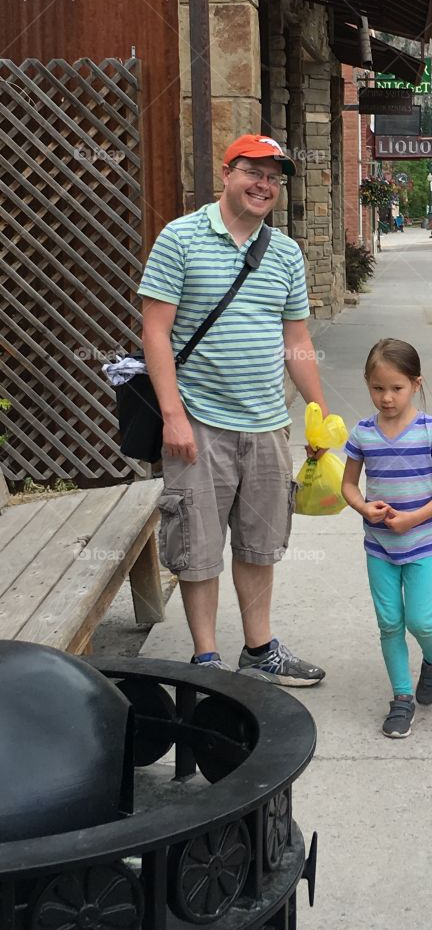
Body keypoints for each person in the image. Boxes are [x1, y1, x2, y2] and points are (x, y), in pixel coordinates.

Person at [140, 134, 328, 685]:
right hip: (198, 421)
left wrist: (319, 411)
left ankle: (259, 648)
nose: (263, 184)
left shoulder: (286, 252)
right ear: (226, 173)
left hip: (268, 423)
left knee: (260, 544)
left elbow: (296, 338)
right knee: (197, 547)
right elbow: (155, 330)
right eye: (253, 171)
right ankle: (206, 658)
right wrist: (172, 415)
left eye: (273, 176)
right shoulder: (180, 238)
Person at [342, 338, 432, 739]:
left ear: (416, 384)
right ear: (367, 384)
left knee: (420, 620)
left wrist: (414, 518)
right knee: (390, 623)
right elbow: (348, 486)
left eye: (396, 388)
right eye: (378, 388)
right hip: (378, 545)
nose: (387, 397)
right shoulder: (362, 433)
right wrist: (363, 508)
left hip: (421, 545)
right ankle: (401, 698)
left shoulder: (431, 431)